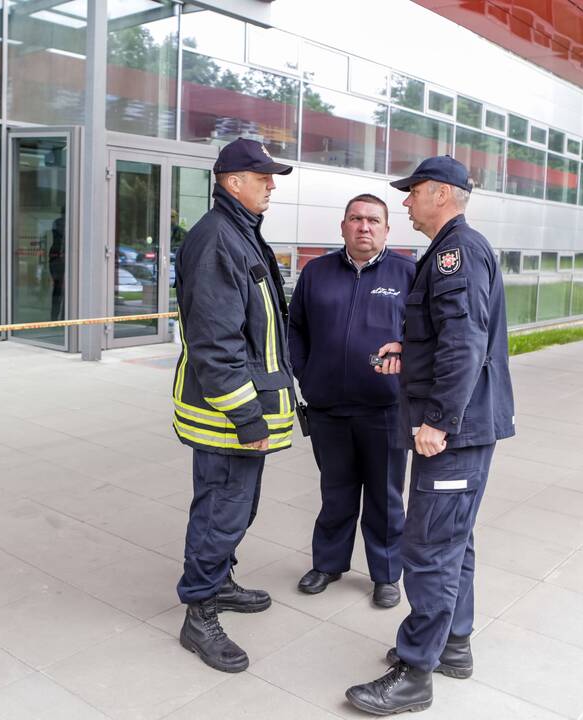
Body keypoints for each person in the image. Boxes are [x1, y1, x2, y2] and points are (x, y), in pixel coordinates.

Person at [345, 156, 515, 715]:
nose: (405, 201)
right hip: (467, 427)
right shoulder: (455, 250)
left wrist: (437, 421)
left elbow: (465, 346)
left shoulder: (453, 253)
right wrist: (408, 350)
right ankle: (454, 644)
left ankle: (416, 673)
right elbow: (449, 337)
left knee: (429, 550)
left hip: (454, 432)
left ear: (441, 193)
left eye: (412, 191)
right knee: (453, 541)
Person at [172, 138, 296, 673]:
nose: (271, 184)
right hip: (229, 416)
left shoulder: (238, 232)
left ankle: (218, 582)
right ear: (231, 181)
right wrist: (248, 417)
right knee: (221, 512)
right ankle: (199, 614)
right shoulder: (218, 239)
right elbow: (215, 343)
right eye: (262, 175)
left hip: (243, 413)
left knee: (235, 508)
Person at [288, 193, 414, 609]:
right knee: (336, 493)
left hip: (386, 410)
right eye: (356, 219)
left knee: (385, 497)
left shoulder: (408, 273)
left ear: (386, 229)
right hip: (328, 410)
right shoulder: (316, 272)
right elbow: (296, 330)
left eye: (373, 220)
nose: (364, 227)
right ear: (343, 226)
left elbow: (423, 338)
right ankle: (328, 564)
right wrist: (307, 376)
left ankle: (385, 574)